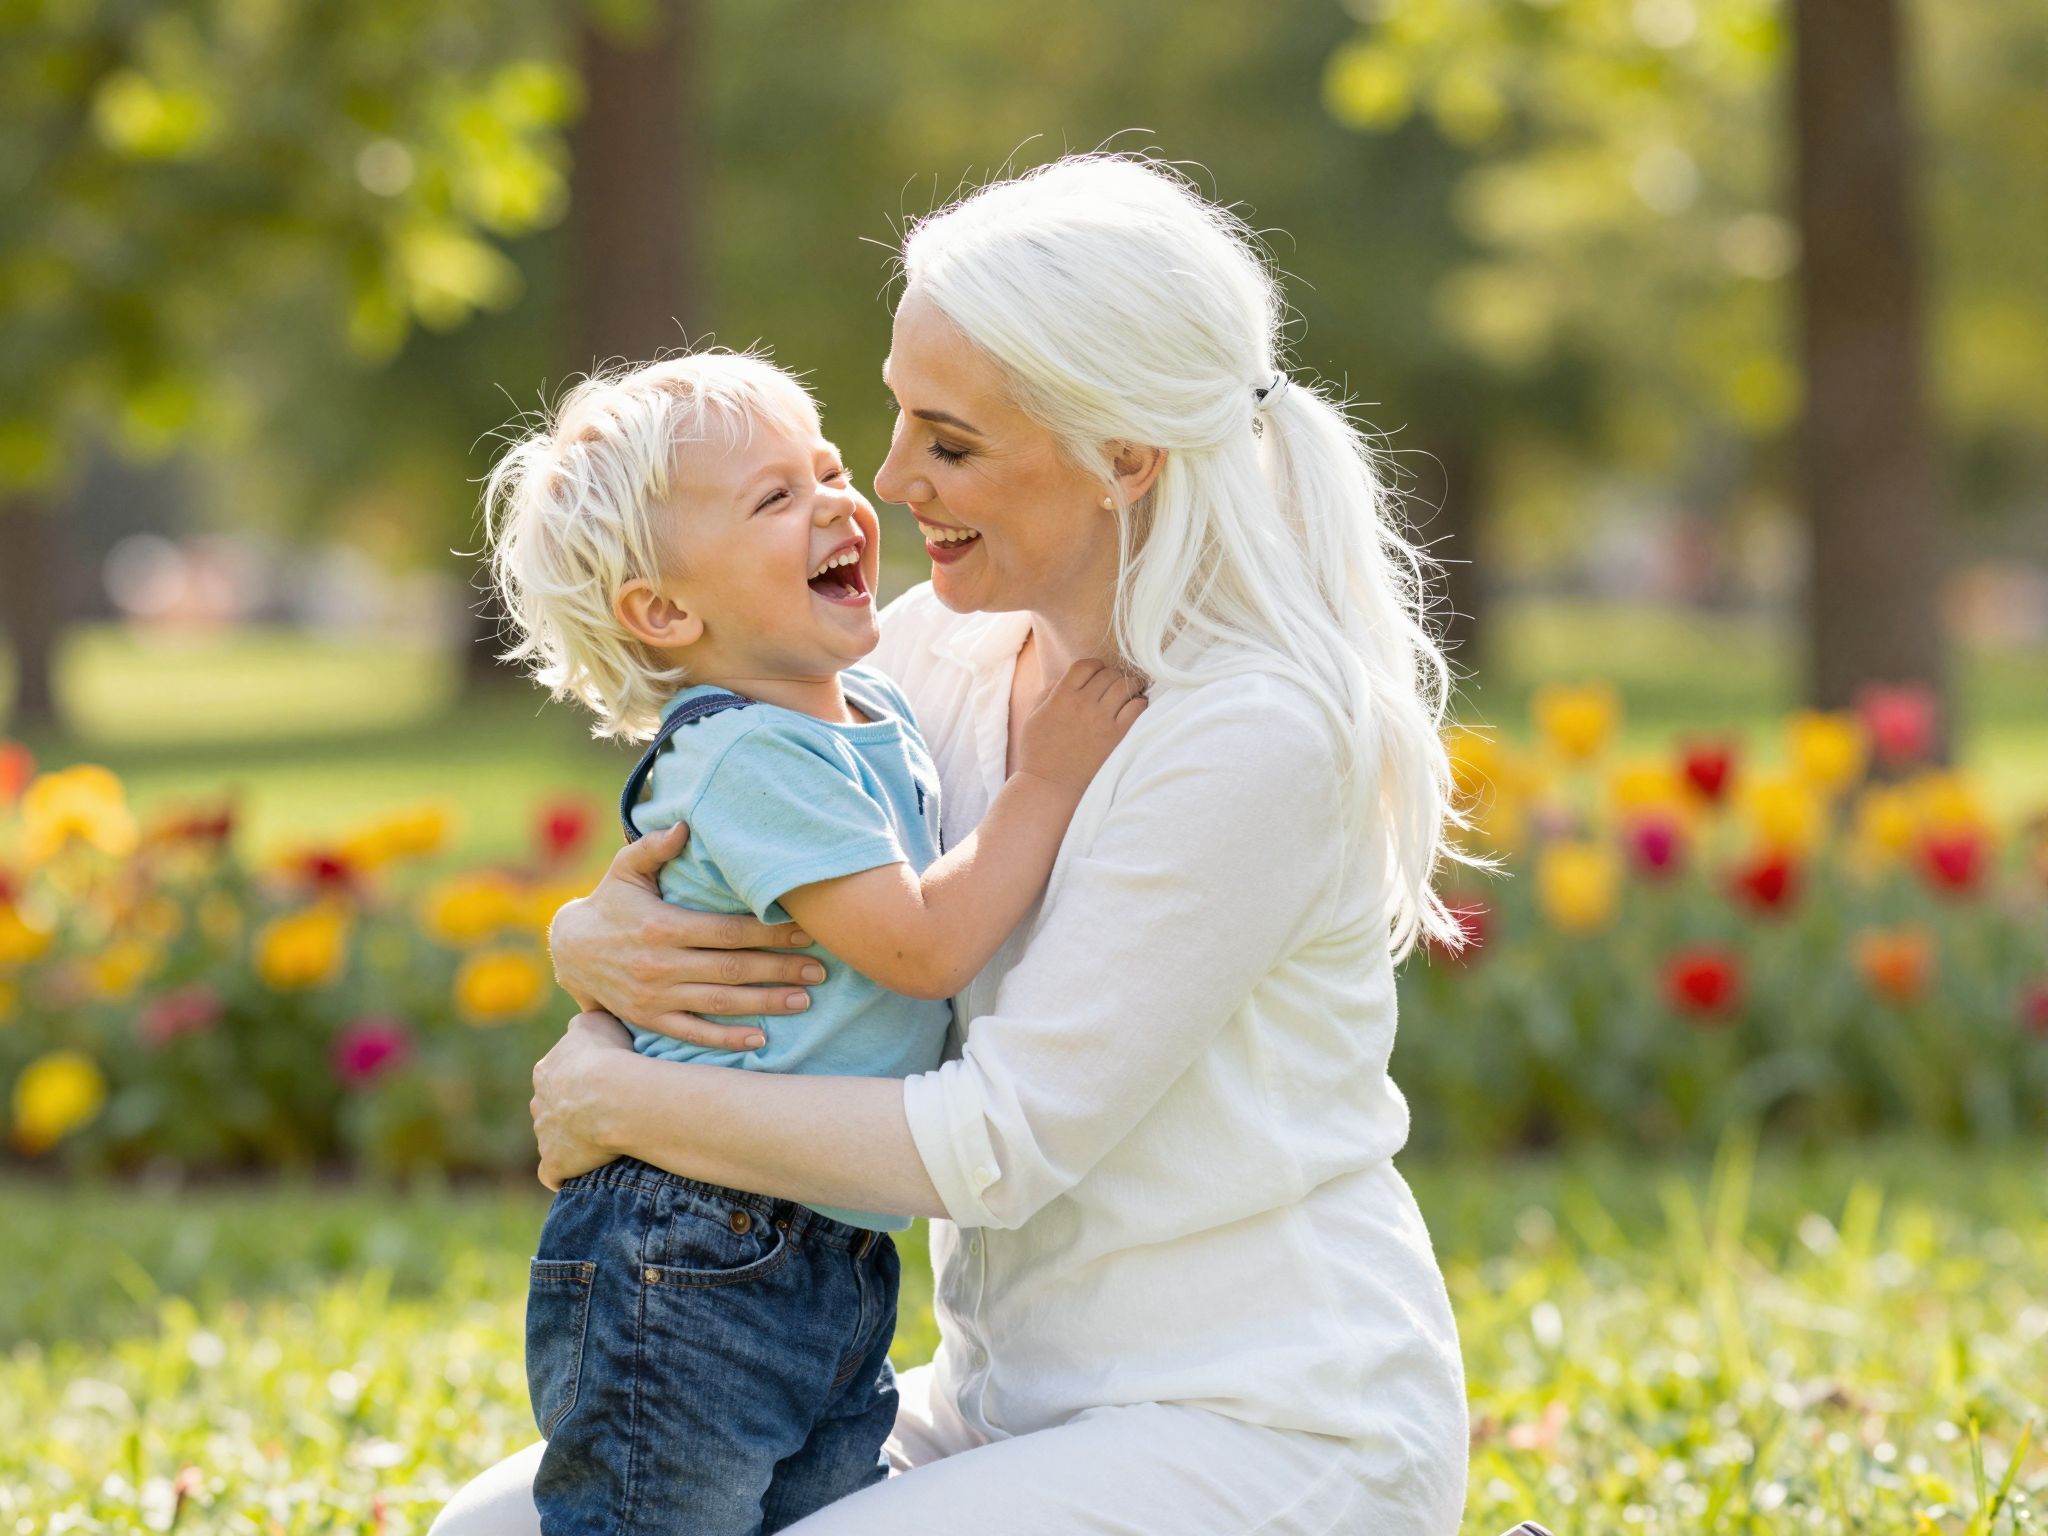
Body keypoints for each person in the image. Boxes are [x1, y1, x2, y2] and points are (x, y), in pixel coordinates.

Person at [433, 152, 1477, 1535]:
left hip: (1269, 1418)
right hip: (999, 1395)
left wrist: (617, 1101)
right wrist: (592, 935)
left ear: (1124, 455)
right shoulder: (939, 651)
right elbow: (759, 825)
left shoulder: (1255, 733)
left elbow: (996, 1145)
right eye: (897, 417)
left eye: (951, 440)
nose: (888, 477)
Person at [479, 351, 1143, 1533]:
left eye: (825, 468)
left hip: (815, 1244)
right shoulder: (748, 754)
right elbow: (923, 947)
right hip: (687, 1248)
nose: (841, 501)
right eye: (773, 498)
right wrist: (1046, 778)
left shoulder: (867, 702)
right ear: (666, 612)